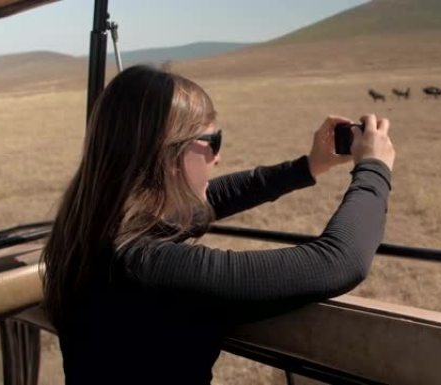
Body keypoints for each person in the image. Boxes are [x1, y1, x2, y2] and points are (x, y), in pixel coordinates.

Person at [40, 65, 395, 385]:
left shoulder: (89, 231)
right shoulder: (151, 270)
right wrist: (374, 168)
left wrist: (308, 167)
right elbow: (338, 261)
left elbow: (208, 202)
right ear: (168, 156)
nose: (219, 157)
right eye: (213, 142)